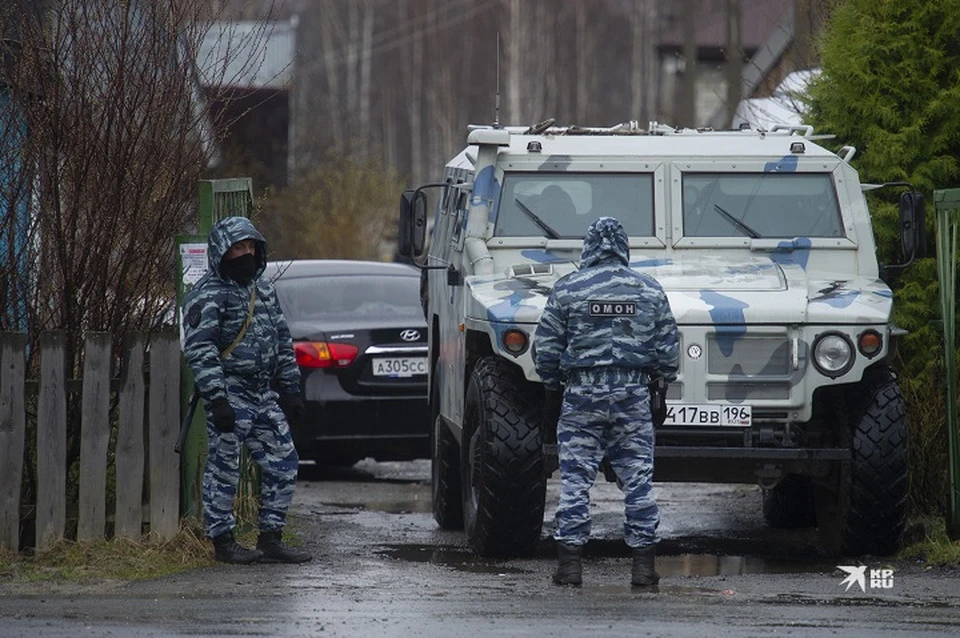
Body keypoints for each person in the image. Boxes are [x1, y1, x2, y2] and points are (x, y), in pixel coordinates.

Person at [534, 216, 679, 587]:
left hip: (582, 396)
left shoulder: (568, 289)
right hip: (633, 396)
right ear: (624, 246)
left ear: (589, 246)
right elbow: (668, 353)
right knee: (639, 481)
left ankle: (569, 567)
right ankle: (644, 568)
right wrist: (660, 384)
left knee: (576, 481)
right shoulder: (649, 290)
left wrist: (554, 386)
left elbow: (546, 352)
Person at [182, 216, 312, 564]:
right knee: (224, 469)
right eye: (238, 248)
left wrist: (291, 388)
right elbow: (200, 349)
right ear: (221, 252)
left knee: (284, 461)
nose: (246, 254)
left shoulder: (263, 290)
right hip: (229, 393)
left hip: (262, 394)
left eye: (251, 247)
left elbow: (282, 340)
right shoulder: (207, 295)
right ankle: (222, 541)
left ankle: (271, 537)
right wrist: (218, 399)